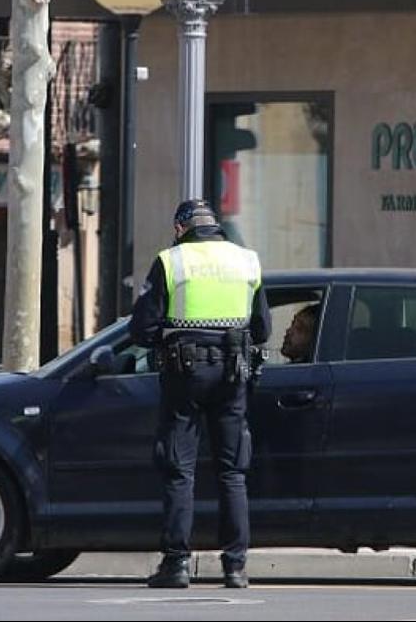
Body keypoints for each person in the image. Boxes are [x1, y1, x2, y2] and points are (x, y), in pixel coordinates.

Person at [131, 199, 271, 590]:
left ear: (181, 229)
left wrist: (169, 335)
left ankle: (176, 565)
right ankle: (236, 567)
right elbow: (262, 330)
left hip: (184, 374)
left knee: (180, 469)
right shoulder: (247, 261)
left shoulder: (172, 261)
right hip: (233, 373)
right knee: (232, 471)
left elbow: (141, 329)